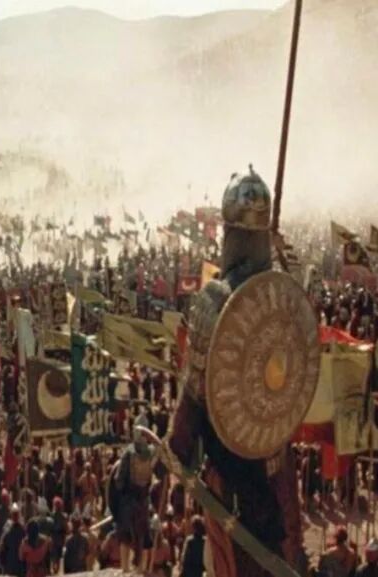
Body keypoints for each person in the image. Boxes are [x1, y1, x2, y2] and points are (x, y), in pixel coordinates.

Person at [168, 168, 305, 577]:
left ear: (229, 234)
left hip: (228, 478)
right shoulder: (284, 297)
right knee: (283, 552)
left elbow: (194, 396)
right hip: (279, 469)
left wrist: (176, 450)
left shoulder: (216, 300)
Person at [110, 428, 155, 573]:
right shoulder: (151, 452)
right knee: (144, 535)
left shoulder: (128, 453)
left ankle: (125, 568)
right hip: (144, 501)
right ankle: (142, 568)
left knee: (125, 535)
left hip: (128, 501)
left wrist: (120, 492)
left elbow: (118, 480)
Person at [0, 506, 25, 577]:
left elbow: (1, 548)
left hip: (14, 564)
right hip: (15, 564)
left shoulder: (20, 531)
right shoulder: (21, 531)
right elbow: (2, 547)